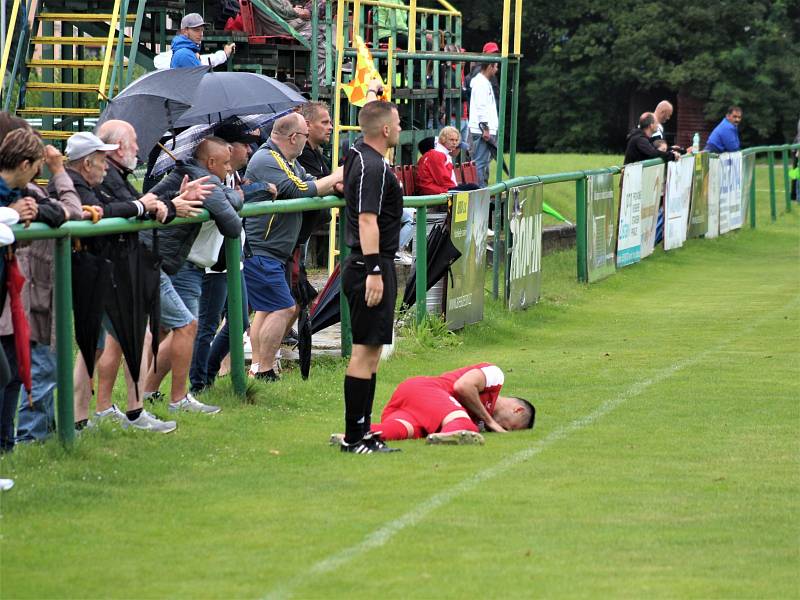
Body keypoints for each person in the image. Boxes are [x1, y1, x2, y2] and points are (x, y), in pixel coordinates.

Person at [81, 120, 208, 432]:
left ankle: (103, 413)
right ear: (115, 148)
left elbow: (141, 206)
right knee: (133, 337)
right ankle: (139, 408)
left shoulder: (117, 175)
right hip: (118, 266)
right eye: (134, 141)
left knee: (112, 342)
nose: (139, 148)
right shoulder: (104, 176)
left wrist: (169, 204)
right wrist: (153, 205)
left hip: (126, 265)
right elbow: (122, 209)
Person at [141, 137, 244, 414]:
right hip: (171, 263)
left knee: (176, 329)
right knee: (184, 327)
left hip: (175, 262)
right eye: (224, 164)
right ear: (210, 163)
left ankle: (148, 393)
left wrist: (228, 195)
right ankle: (176, 399)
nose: (229, 170)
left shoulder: (200, 177)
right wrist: (232, 196)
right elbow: (233, 225)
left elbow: (229, 199)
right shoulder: (205, 181)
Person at [0, 116, 84, 444]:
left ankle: (9, 450)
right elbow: (71, 211)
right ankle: (23, 439)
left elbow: (63, 212)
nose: (40, 171)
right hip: (20, 296)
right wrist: (60, 174)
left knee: (14, 374)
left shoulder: (24, 191)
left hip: (20, 296)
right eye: (37, 164)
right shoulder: (18, 191)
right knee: (18, 372)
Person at [243, 113, 342, 381]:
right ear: (294, 137)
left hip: (276, 250)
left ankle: (259, 368)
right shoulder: (268, 158)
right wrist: (336, 178)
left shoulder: (289, 161)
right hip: (262, 247)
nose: (306, 141)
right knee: (284, 308)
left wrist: (335, 185)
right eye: (305, 135)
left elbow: (310, 183)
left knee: (266, 310)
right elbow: (299, 189)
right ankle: (262, 369)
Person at [339, 80, 404, 454]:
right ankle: (354, 437)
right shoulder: (373, 164)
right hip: (368, 267)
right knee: (364, 351)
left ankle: (364, 431)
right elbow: (367, 220)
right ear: (384, 129)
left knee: (373, 350)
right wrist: (375, 271)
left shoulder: (358, 156)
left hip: (370, 264)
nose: (399, 129)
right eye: (396, 124)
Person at [357, 363, 536, 445]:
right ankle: (449, 435)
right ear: (517, 410)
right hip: (424, 389)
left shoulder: (480, 421)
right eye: (510, 428)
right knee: (465, 425)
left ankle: (353, 436)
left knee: (406, 431)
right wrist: (491, 421)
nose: (503, 430)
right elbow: (462, 386)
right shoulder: (495, 376)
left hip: (413, 407)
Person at [251, 0, 327, 77]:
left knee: (326, 33)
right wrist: (300, 12)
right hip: (285, 26)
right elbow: (282, 12)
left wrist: (296, 9)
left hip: (288, 24)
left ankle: (316, 79)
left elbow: (282, 9)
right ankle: (316, 81)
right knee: (324, 39)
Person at [467, 59, 499, 188]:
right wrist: (485, 128)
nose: (496, 69)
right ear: (489, 67)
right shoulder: (481, 83)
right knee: (479, 164)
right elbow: (481, 107)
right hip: (481, 130)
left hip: (481, 129)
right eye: (495, 66)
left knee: (481, 164)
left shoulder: (483, 82)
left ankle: (481, 192)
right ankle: (480, 194)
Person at [169, 12, 234, 69]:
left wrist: (224, 54)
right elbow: (199, 80)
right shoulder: (185, 54)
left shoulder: (187, 51)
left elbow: (203, 61)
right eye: (196, 30)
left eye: (202, 30)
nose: (201, 34)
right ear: (185, 31)